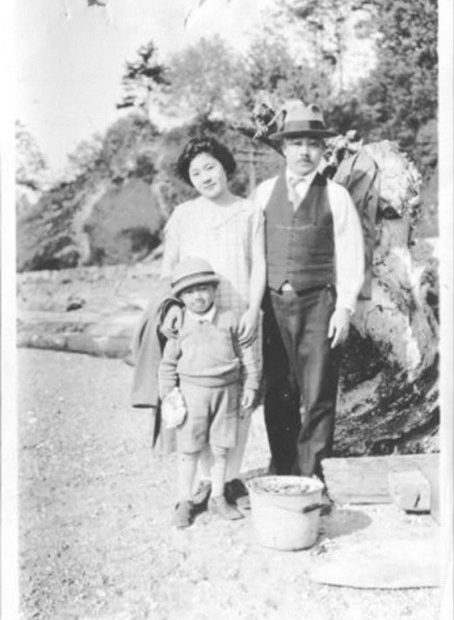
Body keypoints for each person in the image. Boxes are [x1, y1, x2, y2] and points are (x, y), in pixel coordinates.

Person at [252, 101, 365, 480]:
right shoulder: (263, 193)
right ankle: (282, 470)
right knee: (278, 389)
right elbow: (251, 254)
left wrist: (344, 309)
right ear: (283, 148)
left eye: (313, 144)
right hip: (273, 305)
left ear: (323, 150)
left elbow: (351, 256)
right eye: (296, 142)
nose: (304, 151)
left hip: (318, 303)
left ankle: (312, 473)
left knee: (317, 393)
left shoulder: (336, 196)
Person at [160, 136, 266, 509]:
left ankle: (230, 476)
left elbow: (260, 266)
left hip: (240, 315)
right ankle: (206, 480)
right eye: (196, 172)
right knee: (197, 397)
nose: (205, 176)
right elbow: (168, 267)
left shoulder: (249, 211)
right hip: (195, 320)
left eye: (210, 166)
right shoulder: (183, 216)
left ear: (224, 165)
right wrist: (171, 305)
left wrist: (254, 309)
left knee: (239, 397)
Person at [158, 257, 259, 528]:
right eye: (189, 292)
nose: (197, 296)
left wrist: (250, 385)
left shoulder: (230, 319)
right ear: (181, 297)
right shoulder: (180, 326)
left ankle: (217, 497)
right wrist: (169, 396)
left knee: (222, 448)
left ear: (214, 290)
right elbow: (167, 365)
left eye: (203, 289)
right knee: (189, 450)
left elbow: (247, 357)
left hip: (226, 393)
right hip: (193, 395)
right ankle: (184, 501)